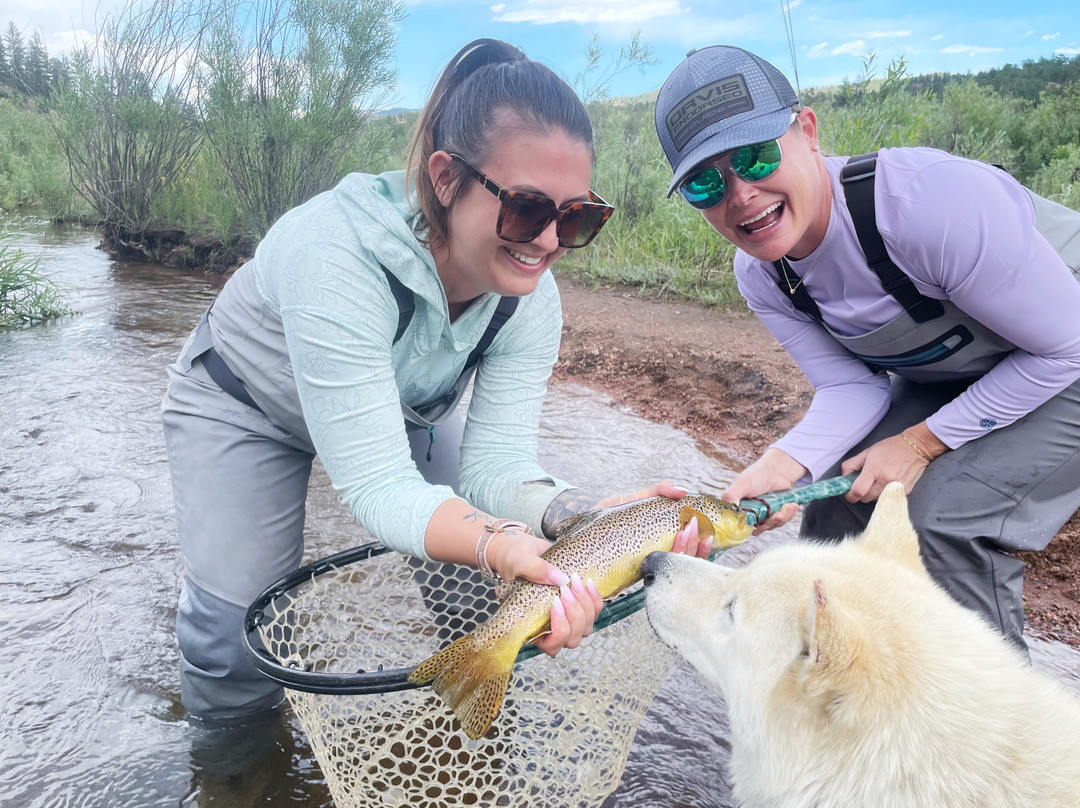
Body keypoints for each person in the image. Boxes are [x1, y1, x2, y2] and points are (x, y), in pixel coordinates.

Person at [163, 37, 708, 724]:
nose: (546, 242)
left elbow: (497, 468)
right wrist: (498, 540)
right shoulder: (333, 251)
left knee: (486, 596)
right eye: (528, 208)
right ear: (446, 178)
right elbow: (378, 489)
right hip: (246, 406)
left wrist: (580, 522)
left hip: (401, 408)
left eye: (577, 218)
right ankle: (234, 777)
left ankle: (471, 718)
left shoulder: (531, 296)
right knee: (230, 640)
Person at [654, 44, 1080, 651]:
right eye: (704, 182)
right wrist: (785, 464)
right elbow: (852, 386)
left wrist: (920, 443)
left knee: (941, 519)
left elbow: (1065, 347)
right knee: (837, 508)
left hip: (1067, 348)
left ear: (807, 131)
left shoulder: (925, 207)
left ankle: (992, 734)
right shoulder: (762, 274)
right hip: (981, 366)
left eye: (753, 155)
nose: (740, 194)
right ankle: (855, 686)